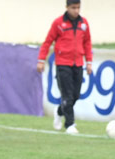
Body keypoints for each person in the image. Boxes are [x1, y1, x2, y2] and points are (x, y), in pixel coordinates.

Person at [36, 0, 93, 135]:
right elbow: (48, 42)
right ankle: (70, 124)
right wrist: (41, 60)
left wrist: (89, 61)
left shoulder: (84, 23)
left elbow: (87, 43)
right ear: (67, 7)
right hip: (63, 64)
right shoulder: (58, 23)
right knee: (67, 95)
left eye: (78, 8)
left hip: (78, 63)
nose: (76, 11)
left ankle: (60, 111)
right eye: (73, 8)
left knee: (75, 95)